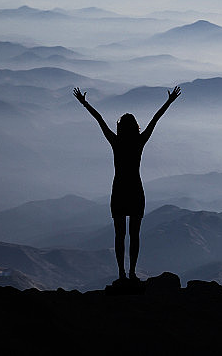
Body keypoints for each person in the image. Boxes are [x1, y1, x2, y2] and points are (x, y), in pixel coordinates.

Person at [73, 85, 181, 282]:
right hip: (136, 191)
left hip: (119, 191)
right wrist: (169, 102)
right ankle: (131, 273)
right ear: (135, 127)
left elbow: (99, 120)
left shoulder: (116, 142)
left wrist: (84, 103)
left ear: (120, 127)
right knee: (135, 235)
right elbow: (156, 119)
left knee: (119, 235)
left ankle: (122, 274)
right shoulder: (139, 141)